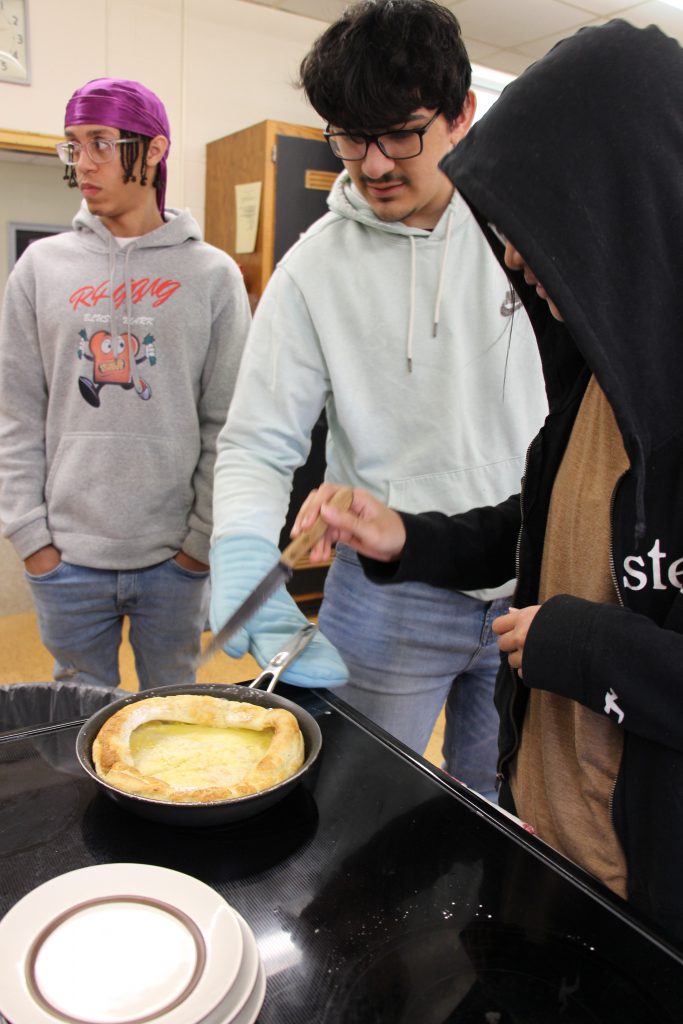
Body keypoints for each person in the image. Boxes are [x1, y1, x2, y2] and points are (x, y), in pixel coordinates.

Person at [294, 19, 683, 943]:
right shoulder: (599, 379)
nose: (516, 263)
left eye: (536, 235)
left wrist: (580, 646)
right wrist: (407, 538)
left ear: (621, 208)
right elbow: (543, 525)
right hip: (558, 849)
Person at [210, 0, 547, 800]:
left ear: (462, 114)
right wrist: (242, 555)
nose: (372, 164)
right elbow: (257, 444)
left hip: (531, 575)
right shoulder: (312, 270)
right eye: (350, 136)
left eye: (400, 133)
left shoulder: (527, 235)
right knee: (352, 811)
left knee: (501, 817)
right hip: (388, 594)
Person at [0, 78, 250, 689]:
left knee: (175, 722)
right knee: (74, 731)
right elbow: (14, 411)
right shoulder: (40, 268)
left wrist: (198, 545)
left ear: (155, 150)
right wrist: (31, 539)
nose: (83, 162)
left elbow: (229, 421)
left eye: (101, 143)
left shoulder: (213, 275)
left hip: (174, 563)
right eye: (73, 145)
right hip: (66, 560)